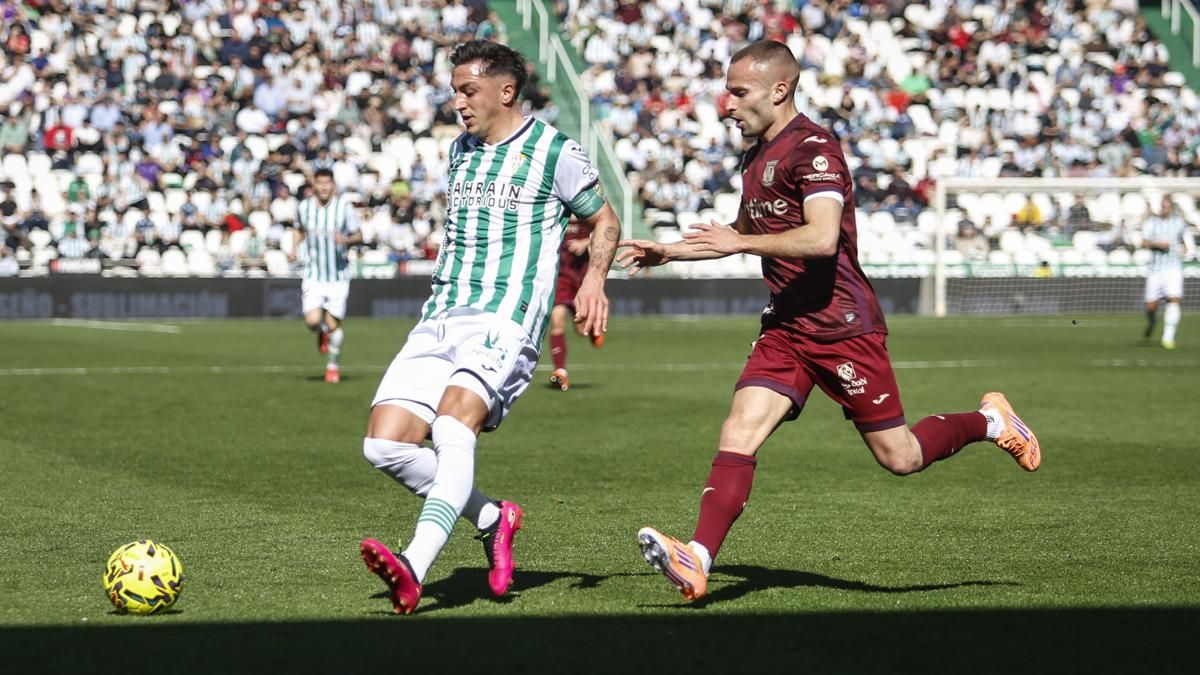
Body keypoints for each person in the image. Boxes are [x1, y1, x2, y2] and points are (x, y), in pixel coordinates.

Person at [616, 41, 1042, 602]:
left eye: (738, 92)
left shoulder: (816, 149)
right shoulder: (755, 155)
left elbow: (820, 238)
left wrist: (739, 241)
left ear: (779, 90)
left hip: (842, 325)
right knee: (739, 429)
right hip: (787, 325)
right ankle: (697, 558)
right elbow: (737, 235)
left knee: (901, 457)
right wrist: (669, 252)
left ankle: (991, 422)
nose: (726, 104)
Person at [359, 40, 622, 615]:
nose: (457, 101)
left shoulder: (555, 152)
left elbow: (604, 219)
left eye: (468, 90)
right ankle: (491, 516)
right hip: (442, 314)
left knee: (454, 426)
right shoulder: (460, 151)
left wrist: (595, 281)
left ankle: (414, 565)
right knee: (383, 444)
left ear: (506, 90)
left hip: (507, 317)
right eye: (454, 90)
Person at [291, 168, 362, 383]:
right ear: (313, 184)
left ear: (333, 185)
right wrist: (294, 248)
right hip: (313, 273)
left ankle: (332, 367)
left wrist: (347, 241)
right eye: (319, 182)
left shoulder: (344, 208)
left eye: (327, 183)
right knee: (312, 321)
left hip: (338, 275)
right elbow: (298, 229)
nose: (323, 187)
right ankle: (321, 331)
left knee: (334, 326)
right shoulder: (303, 208)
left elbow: (359, 234)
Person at [547, 216, 605, 391]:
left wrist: (585, 243)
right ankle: (560, 372)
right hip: (562, 276)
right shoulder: (557, 207)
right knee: (557, 321)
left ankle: (592, 328)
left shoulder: (588, 208)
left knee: (581, 329)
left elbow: (608, 233)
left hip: (583, 278)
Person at [1140, 195, 1194, 349]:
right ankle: (1152, 320)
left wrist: (1185, 248)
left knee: (1174, 299)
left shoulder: (1179, 223)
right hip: (1155, 269)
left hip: (1173, 268)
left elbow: (1185, 240)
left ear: (1172, 207)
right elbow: (1143, 242)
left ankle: (1168, 337)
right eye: (1163, 206)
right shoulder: (1152, 223)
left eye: (1167, 206)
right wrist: (1155, 244)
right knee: (1151, 306)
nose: (1164, 209)